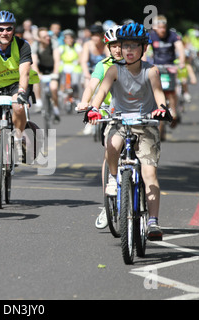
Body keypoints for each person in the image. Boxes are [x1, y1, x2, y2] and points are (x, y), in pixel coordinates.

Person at [84, 22, 168, 241]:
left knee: (149, 172)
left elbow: (159, 95)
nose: (129, 50)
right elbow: (101, 92)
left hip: (146, 124)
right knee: (111, 146)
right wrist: (93, 109)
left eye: (134, 46)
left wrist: (162, 109)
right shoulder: (114, 69)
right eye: (125, 45)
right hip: (119, 122)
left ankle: (153, 221)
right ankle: (113, 178)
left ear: (144, 48)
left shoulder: (151, 71)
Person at [0, 10, 39, 198]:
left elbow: (24, 74)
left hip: (15, 86)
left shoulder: (22, 46)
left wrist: (21, 92)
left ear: (14, 30)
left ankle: (18, 137)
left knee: (18, 106)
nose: (5, 32)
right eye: (0, 29)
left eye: (9, 29)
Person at [76, 25, 123, 229]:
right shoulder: (103, 65)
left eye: (121, 45)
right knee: (109, 150)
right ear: (108, 47)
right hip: (112, 114)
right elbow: (92, 85)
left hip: (134, 115)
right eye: (113, 46)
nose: (118, 49)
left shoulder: (138, 65)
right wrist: (85, 102)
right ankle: (108, 203)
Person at [149, 15, 186, 128]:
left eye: (164, 27)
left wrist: (181, 62)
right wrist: (144, 61)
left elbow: (180, 48)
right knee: (154, 88)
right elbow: (144, 49)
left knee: (172, 90)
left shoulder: (173, 35)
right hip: (157, 66)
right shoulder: (151, 35)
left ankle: (173, 111)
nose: (162, 30)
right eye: (160, 27)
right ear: (155, 28)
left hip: (170, 66)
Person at [31, 27, 61, 123]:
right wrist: (37, 73)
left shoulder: (54, 43)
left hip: (52, 68)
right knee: (35, 79)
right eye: (44, 37)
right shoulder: (35, 45)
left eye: (48, 36)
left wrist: (55, 73)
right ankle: (38, 100)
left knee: (53, 88)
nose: (47, 38)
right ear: (39, 38)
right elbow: (34, 62)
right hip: (41, 67)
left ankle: (56, 108)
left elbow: (57, 60)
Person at [80, 24, 109, 88]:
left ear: (102, 36)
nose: (95, 38)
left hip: (103, 72)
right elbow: (83, 62)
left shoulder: (106, 45)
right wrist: (87, 74)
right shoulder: (87, 45)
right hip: (91, 71)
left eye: (97, 35)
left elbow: (109, 59)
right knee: (87, 83)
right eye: (93, 35)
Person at [58, 29, 82, 104]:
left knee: (75, 83)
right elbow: (58, 57)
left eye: (70, 38)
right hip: (64, 66)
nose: (69, 40)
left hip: (74, 66)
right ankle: (63, 93)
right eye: (67, 38)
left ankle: (76, 96)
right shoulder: (62, 47)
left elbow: (80, 56)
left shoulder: (77, 46)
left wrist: (78, 61)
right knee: (62, 80)